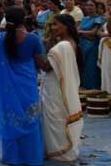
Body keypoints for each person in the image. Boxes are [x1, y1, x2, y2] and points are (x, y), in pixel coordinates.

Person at [0, 6, 45, 166]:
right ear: (24, 19)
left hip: (7, 88)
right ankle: (31, 157)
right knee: (30, 118)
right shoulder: (32, 39)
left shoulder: (0, 39)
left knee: (10, 118)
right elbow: (42, 64)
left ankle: (11, 157)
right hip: (27, 85)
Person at [41, 14, 84, 162]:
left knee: (56, 117)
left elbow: (46, 67)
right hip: (60, 86)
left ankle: (58, 150)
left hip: (56, 88)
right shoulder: (69, 42)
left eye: (55, 24)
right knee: (58, 116)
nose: (52, 28)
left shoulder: (63, 45)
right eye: (51, 25)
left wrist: (35, 56)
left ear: (66, 26)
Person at [78, 1, 104, 89]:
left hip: (92, 45)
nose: (89, 7)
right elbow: (77, 31)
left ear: (96, 7)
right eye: (87, 5)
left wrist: (81, 32)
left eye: (91, 5)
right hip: (82, 44)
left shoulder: (99, 18)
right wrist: (86, 34)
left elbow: (93, 32)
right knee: (83, 67)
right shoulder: (84, 18)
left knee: (91, 67)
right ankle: (85, 87)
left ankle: (93, 88)